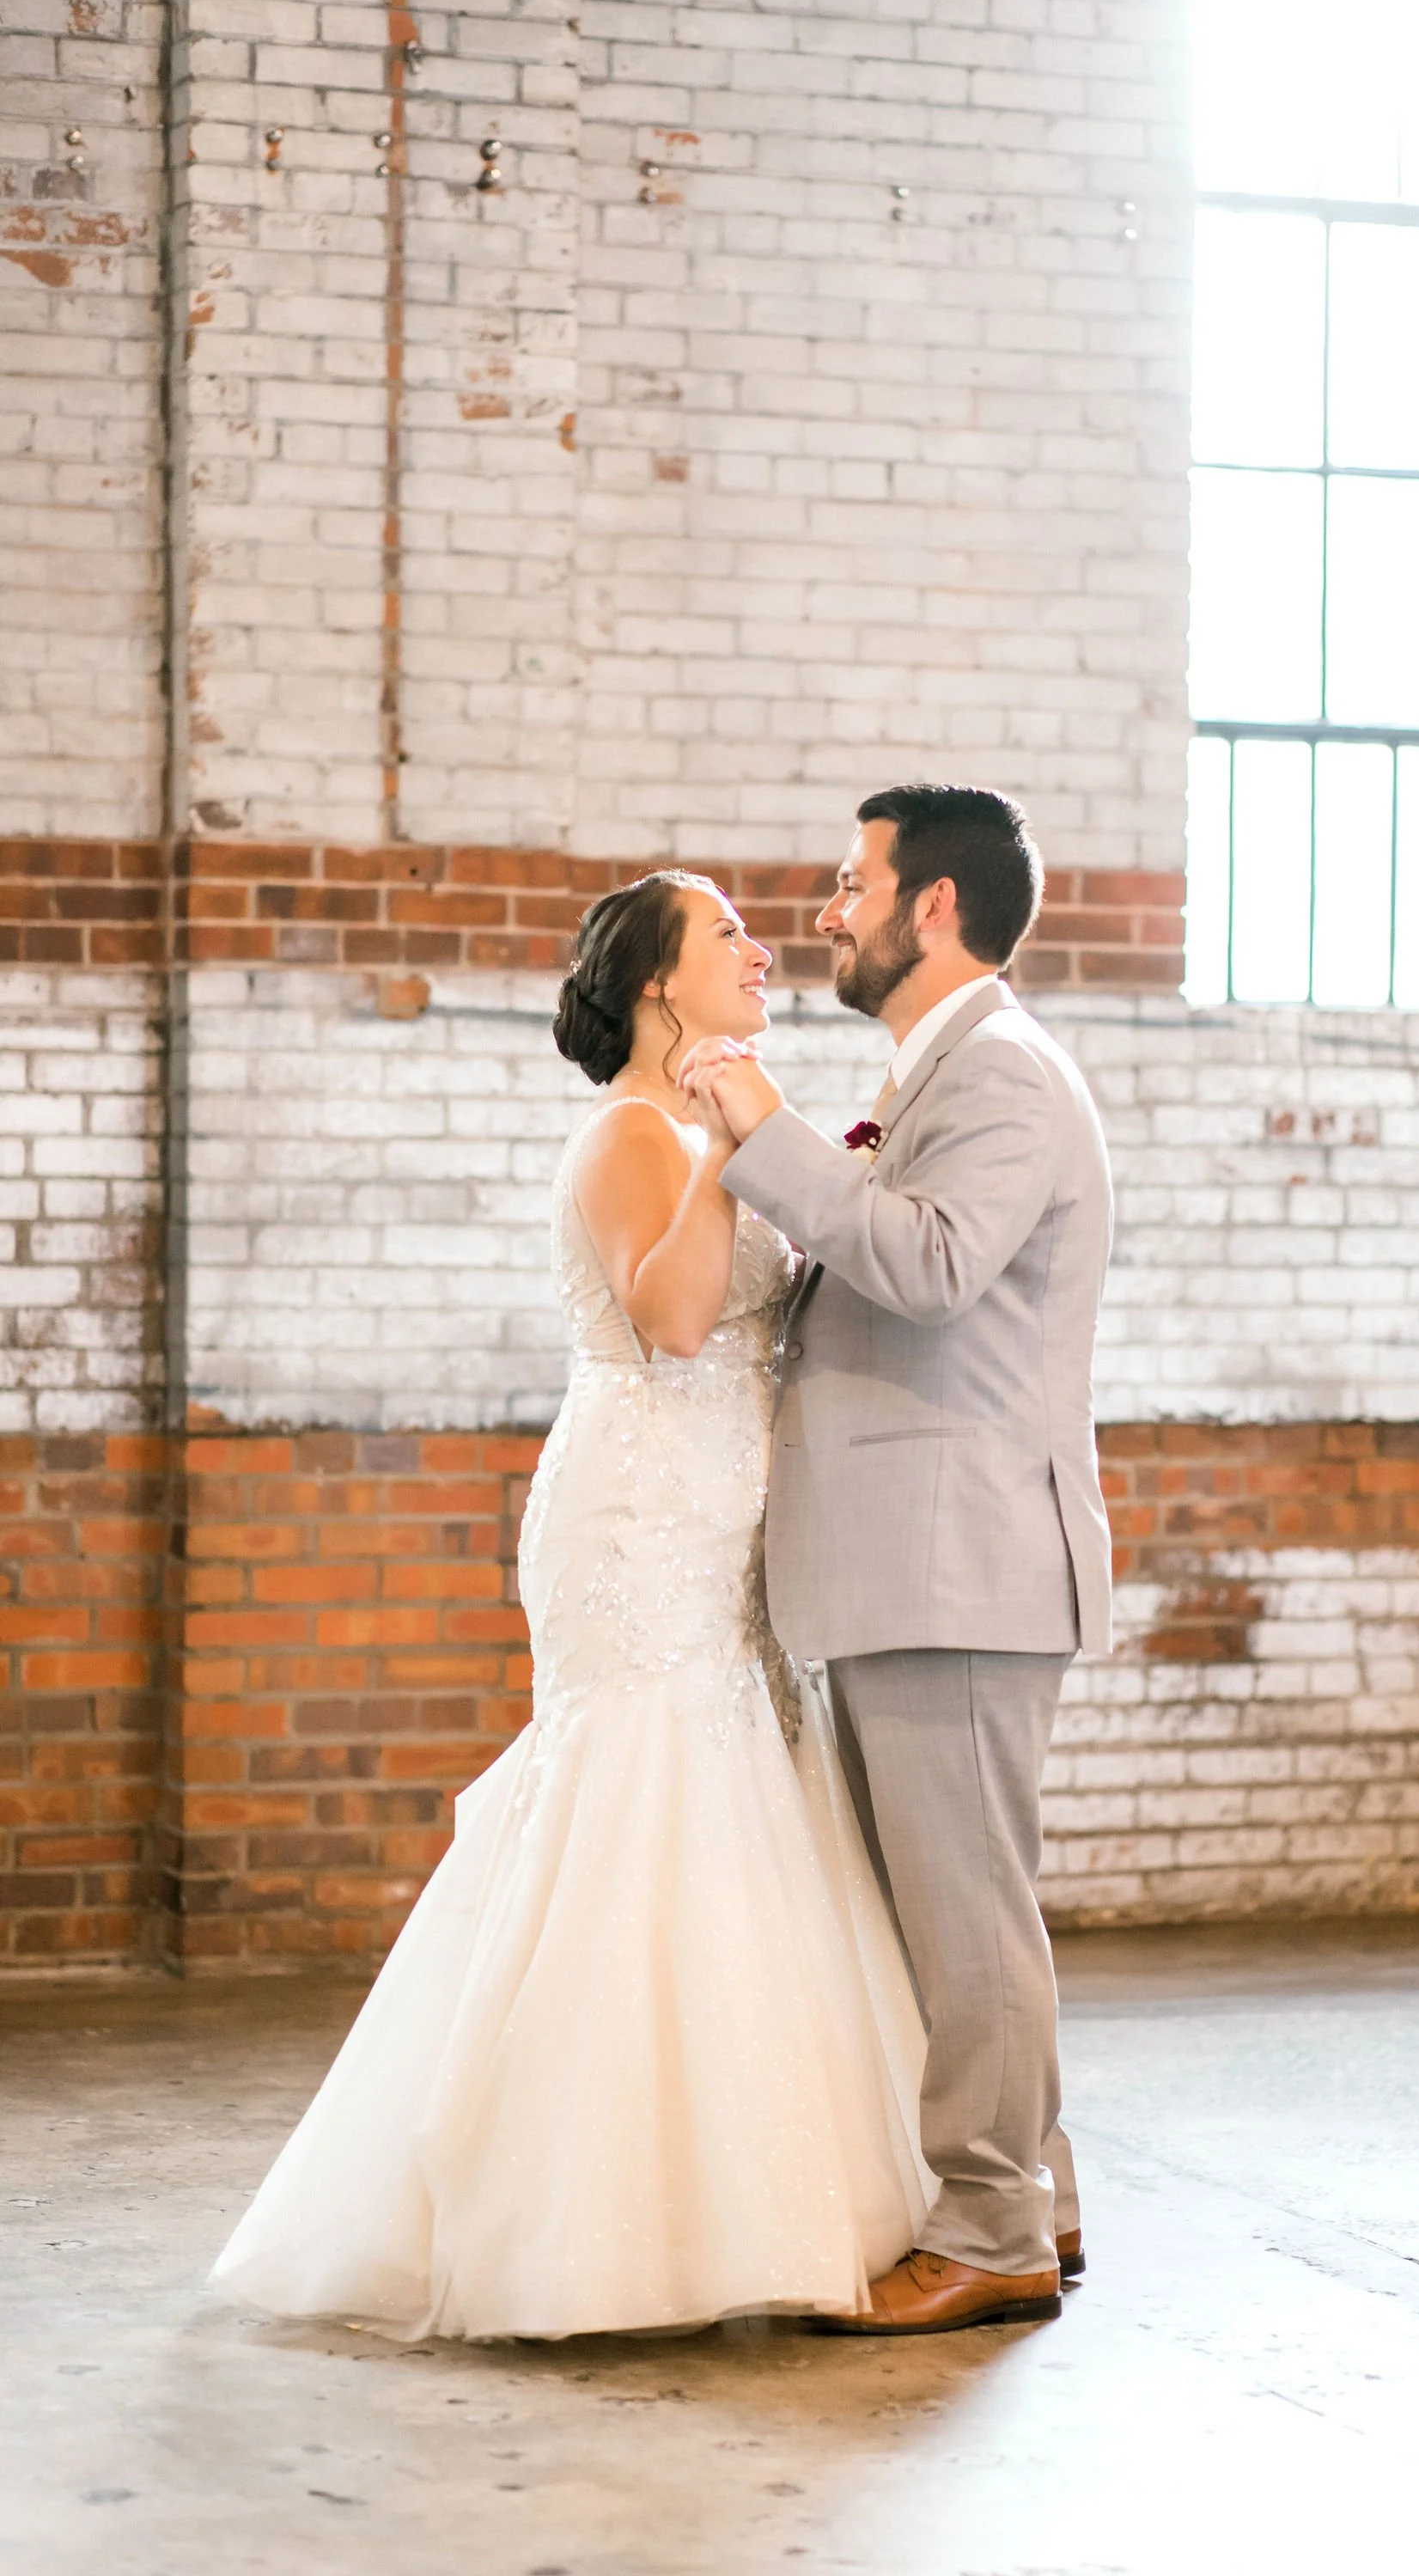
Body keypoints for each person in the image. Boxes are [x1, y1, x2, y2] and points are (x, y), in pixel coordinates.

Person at [210, 871, 931, 2340]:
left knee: (734, 1798)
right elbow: (671, 1320)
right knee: (642, 1798)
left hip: (724, 1521)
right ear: (662, 987)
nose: (760, 949)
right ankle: (587, 2226)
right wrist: (742, 1147)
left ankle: (749, 2205)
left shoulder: (703, 1124)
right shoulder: (626, 1133)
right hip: (634, 1520)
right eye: (726, 934)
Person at [680, 783, 1113, 2335]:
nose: (825, 911)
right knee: (959, 1905)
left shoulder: (1001, 1076)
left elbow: (927, 1268)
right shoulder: (941, 1070)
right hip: (917, 1562)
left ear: (931, 907)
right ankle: (1032, 2193)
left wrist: (765, 1138)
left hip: (964, 1562)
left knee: (965, 1909)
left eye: (851, 883)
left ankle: (991, 2227)